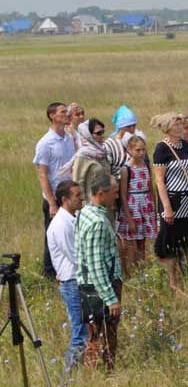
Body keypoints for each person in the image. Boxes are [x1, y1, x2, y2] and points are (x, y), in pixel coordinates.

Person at [75, 171, 123, 371]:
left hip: (90, 286)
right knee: (103, 335)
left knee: (94, 333)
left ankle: (94, 374)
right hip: (100, 288)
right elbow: (96, 264)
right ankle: (105, 375)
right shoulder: (97, 222)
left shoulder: (85, 212)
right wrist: (110, 298)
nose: (117, 196)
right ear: (101, 193)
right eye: (114, 192)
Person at [150, 112, 188, 290]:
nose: (180, 128)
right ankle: (173, 281)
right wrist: (167, 207)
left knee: (186, 239)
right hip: (172, 199)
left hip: (187, 201)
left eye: (181, 125)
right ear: (167, 128)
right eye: (176, 125)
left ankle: (186, 276)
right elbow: (160, 180)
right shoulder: (162, 149)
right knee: (170, 240)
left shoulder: (185, 145)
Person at [34, 101, 76, 279]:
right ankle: (50, 272)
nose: (67, 114)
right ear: (52, 116)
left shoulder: (68, 138)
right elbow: (42, 174)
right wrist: (52, 202)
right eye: (62, 111)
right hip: (55, 197)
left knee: (70, 232)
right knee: (52, 234)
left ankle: (67, 271)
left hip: (70, 194)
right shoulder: (46, 143)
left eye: (67, 111)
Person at [47, 180, 86, 372]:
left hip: (77, 280)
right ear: (65, 199)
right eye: (77, 196)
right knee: (80, 331)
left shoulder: (73, 217)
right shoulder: (61, 225)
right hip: (72, 282)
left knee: (84, 328)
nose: (81, 198)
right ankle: (68, 377)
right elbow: (75, 255)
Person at [117, 134, 156, 276]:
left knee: (142, 242)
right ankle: (130, 272)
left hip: (146, 205)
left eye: (143, 150)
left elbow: (151, 188)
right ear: (130, 150)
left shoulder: (146, 165)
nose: (141, 153)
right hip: (133, 207)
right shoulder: (126, 168)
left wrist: (154, 210)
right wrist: (129, 218)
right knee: (131, 243)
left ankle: (142, 271)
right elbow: (123, 194)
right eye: (138, 150)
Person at [70, 119, 116, 226]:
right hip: (90, 208)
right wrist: (82, 209)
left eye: (103, 132)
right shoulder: (83, 156)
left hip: (106, 205)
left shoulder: (103, 153)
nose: (102, 136)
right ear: (88, 135)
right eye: (98, 133)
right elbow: (78, 183)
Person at [104, 105, 139, 181]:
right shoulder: (109, 144)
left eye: (134, 125)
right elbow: (107, 170)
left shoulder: (137, 141)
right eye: (128, 126)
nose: (132, 129)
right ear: (120, 127)